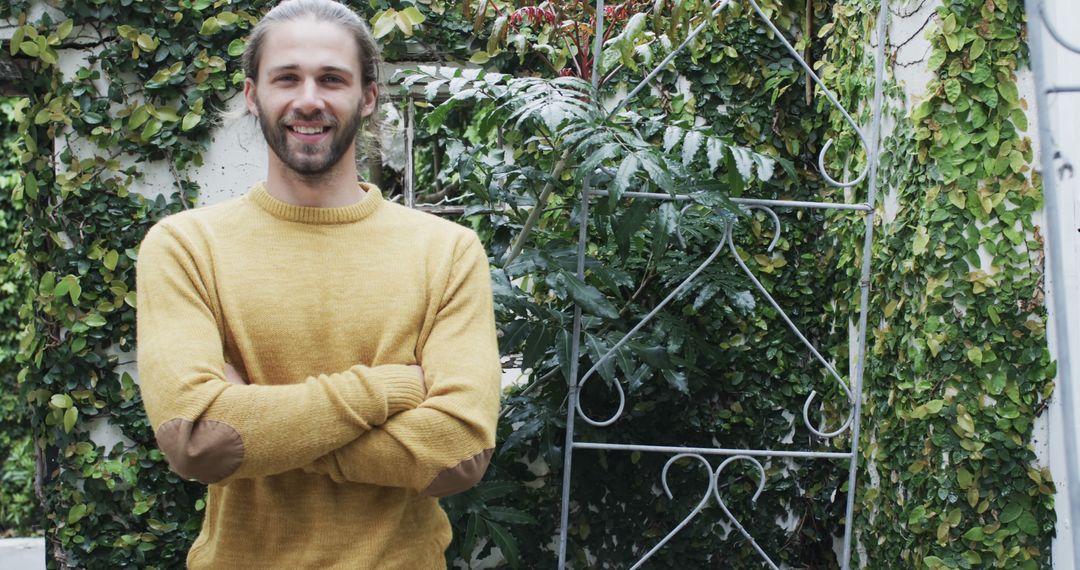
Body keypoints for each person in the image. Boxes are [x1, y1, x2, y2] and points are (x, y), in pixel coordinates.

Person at [135, 0, 501, 567]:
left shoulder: (446, 252)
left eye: (332, 79)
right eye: (287, 78)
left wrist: (257, 422)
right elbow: (198, 442)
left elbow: (456, 454)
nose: (309, 99)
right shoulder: (186, 247)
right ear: (253, 95)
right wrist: (392, 390)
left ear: (368, 96)